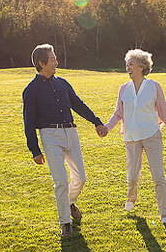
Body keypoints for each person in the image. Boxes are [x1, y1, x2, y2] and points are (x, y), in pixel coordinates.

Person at [22, 43, 107, 238]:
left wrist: (96, 122)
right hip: (50, 136)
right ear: (42, 63)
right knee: (60, 181)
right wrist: (34, 150)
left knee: (81, 178)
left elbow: (78, 104)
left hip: (71, 133)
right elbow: (29, 122)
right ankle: (65, 223)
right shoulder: (31, 90)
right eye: (53, 59)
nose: (56, 62)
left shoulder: (62, 83)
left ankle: (68, 202)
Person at [101, 48, 166, 224]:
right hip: (131, 138)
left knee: (158, 176)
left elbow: (164, 113)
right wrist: (106, 128)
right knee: (132, 176)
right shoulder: (123, 89)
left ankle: (164, 213)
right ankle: (131, 197)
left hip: (152, 135)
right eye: (126, 64)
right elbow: (117, 114)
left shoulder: (154, 87)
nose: (127, 68)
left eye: (131, 64)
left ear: (141, 66)